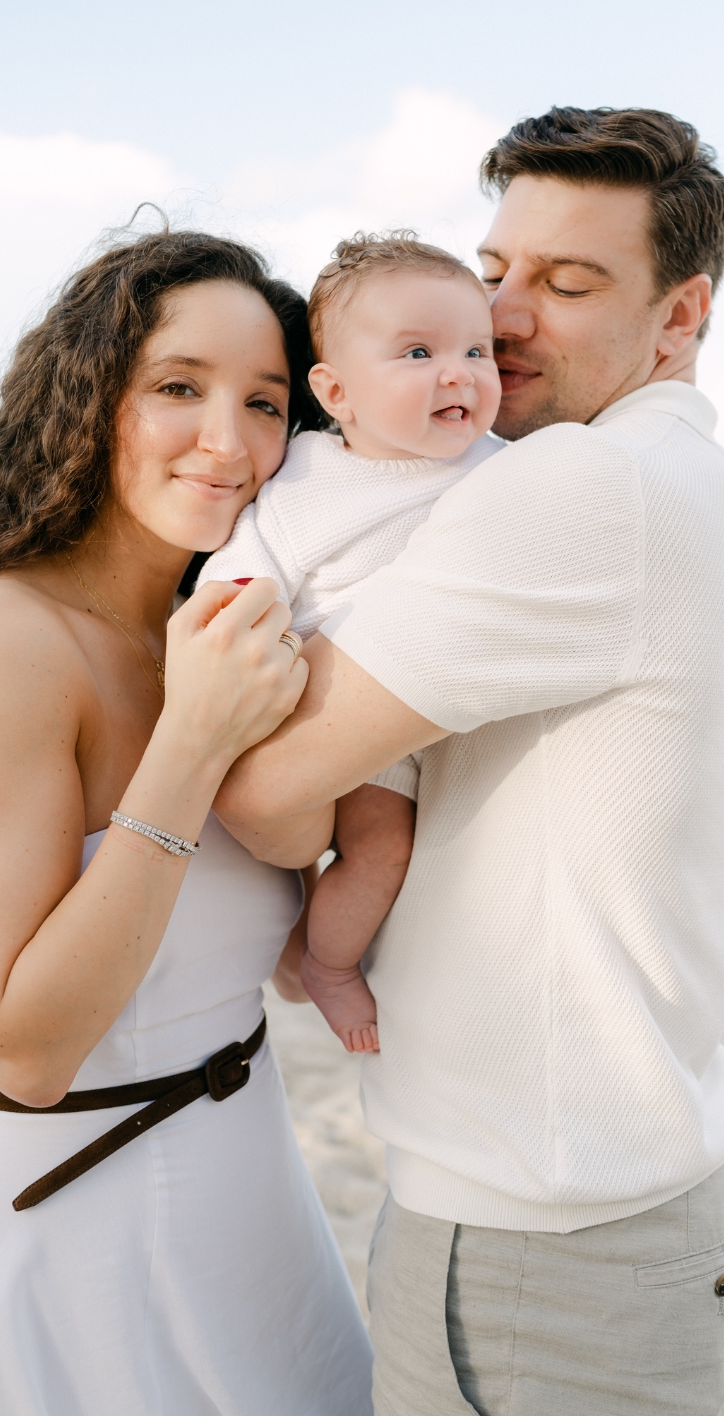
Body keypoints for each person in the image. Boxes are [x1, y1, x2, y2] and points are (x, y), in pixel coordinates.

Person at [214, 108, 724, 1413]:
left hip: (543, 1236)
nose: (505, 317)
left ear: (680, 318)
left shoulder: (583, 485)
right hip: (617, 1195)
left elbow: (269, 789)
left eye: (567, 286)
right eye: (498, 270)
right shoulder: (668, 476)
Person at [0, 230, 374, 1413]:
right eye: (178, 389)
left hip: (250, 1224)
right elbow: (29, 1051)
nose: (228, 440)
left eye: (265, 401)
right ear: (89, 401)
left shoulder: (220, 633)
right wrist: (190, 742)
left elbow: (294, 924)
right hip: (65, 1259)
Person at [198, 231, 503, 1052]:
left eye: (480, 350)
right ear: (335, 391)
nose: (459, 372)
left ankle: (310, 946)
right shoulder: (306, 474)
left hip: (420, 704)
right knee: (376, 851)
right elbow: (248, 562)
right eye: (417, 351)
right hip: (321, 703)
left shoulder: (500, 465)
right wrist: (238, 611)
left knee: (401, 852)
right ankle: (331, 967)